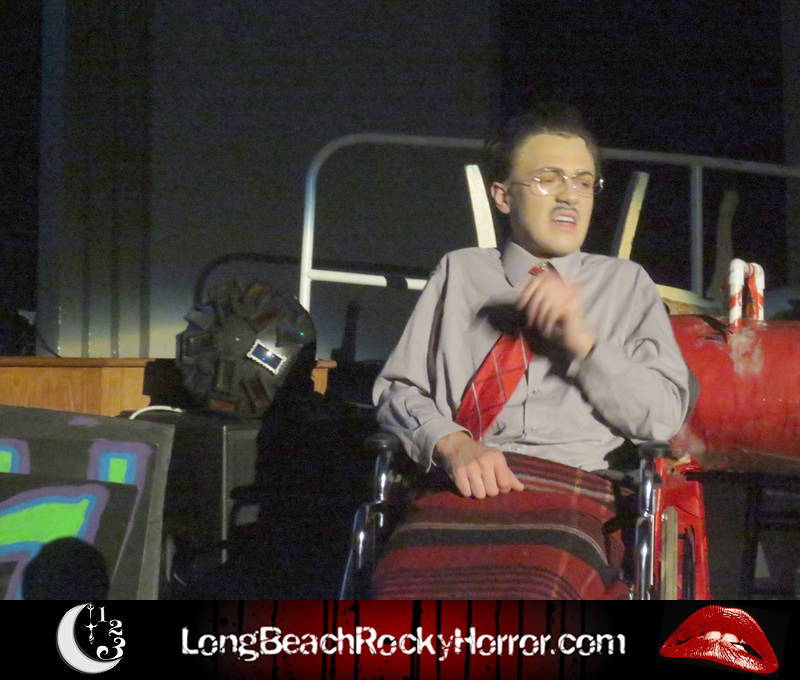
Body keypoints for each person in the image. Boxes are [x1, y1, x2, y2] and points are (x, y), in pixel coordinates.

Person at [370, 103, 691, 599]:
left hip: (574, 489)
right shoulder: (460, 272)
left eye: (583, 182)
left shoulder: (625, 284)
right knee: (397, 593)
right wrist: (451, 443)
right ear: (503, 196)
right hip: (463, 483)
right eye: (547, 179)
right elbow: (397, 389)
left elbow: (661, 419)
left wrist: (584, 343)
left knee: (538, 593)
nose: (569, 195)